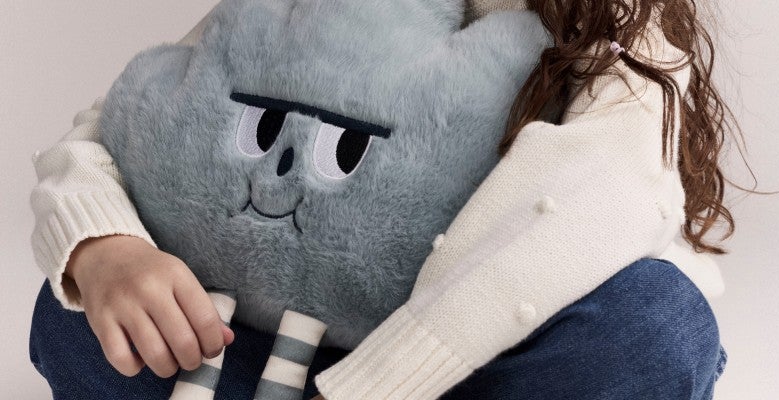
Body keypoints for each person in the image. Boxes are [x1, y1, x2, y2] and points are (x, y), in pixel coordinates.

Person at [28, 0, 734, 399]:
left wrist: (377, 387)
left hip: (465, 367)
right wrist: (106, 250)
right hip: (270, 348)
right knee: (78, 305)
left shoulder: (621, 28)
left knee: (654, 326)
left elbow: (588, 211)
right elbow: (137, 120)